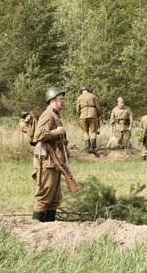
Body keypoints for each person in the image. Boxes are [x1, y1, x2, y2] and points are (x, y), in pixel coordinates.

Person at [32, 87, 68, 222]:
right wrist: (56, 132)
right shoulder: (48, 115)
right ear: (52, 101)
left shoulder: (55, 115)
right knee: (44, 197)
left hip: (54, 160)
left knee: (54, 198)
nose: (63, 101)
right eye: (61, 99)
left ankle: (49, 228)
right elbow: (38, 135)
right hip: (46, 161)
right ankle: (36, 229)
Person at [76, 86, 101, 153]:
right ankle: (92, 147)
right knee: (93, 131)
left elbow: (77, 109)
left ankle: (87, 147)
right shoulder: (93, 96)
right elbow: (98, 107)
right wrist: (98, 115)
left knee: (85, 132)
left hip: (83, 115)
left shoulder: (79, 98)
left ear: (82, 91)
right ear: (88, 90)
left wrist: (80, 114)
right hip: (92, 114)